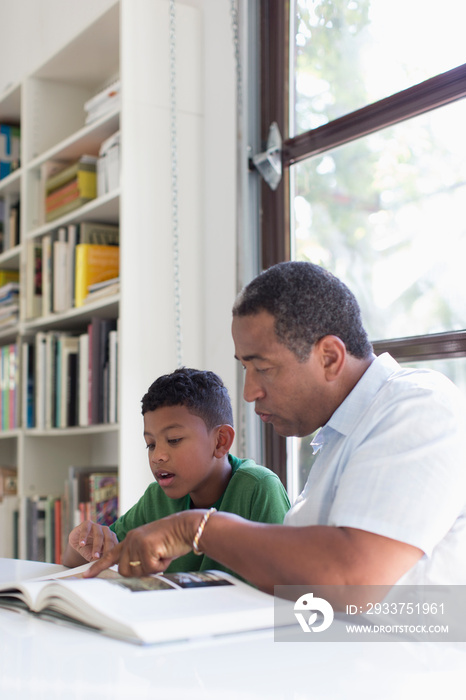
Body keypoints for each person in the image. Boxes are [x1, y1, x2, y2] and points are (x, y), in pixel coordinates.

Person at [85, 262, 466, 597]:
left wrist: (195, 528)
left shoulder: (418, 406)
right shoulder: (339, 438)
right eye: (245, 369)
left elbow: (354, 579)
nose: (250, 392)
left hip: (404, 669)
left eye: (263, 368)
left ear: (329, 357)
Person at [63, 367, 291, 579]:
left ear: (221, 441)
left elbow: (284, 587)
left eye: (174, 440)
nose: (157, 456)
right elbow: (92, 561)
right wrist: (78, 546)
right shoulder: (156, 499)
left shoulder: (260, 488)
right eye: (150, 444)